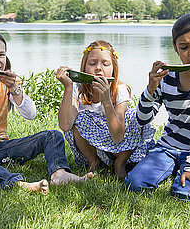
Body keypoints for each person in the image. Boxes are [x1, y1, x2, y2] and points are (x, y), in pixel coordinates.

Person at [0, 30, 92, 193]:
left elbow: (30, 115)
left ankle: (59, 173)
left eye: (1, 55)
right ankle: (16, 183)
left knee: (52, 135)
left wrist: (14, 88)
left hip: (1, 147)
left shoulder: (8, 82)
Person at [125, 12, 190, 200]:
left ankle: (185, 167)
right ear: (176, 49)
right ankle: (172, 166)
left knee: (186, 194)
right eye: (184, 47)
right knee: (134, 184)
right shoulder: (167, 77)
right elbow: (142, 119)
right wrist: (150, 89)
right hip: (168, 146)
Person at [56, 40, 155, 178]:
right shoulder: (77, 88)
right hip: (94, 148)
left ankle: (120, 163)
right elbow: (65, 125)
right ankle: (93, 162)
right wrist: (68, 87)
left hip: (119, 146)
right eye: (92, 63)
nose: (98, 68)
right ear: (84, 67)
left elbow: (118, 137)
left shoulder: (120, 90)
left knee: (135, 117)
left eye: (105, 64)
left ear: (113, 68)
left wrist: (107, 101)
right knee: (79, 118)